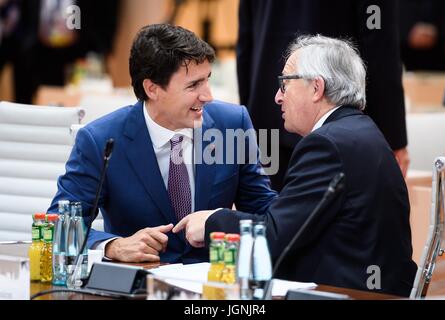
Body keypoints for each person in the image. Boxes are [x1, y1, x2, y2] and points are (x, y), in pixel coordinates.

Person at [174, 35, 417, 297]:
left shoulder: (326, 145)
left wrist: (212, 221)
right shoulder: (361, 131)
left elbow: (273, 239)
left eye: (284, 84)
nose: (278, 96)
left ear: (316, 88)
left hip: (344, 291)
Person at [48, 24, 277, 264]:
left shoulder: (232, 123)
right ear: (152, 89)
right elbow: (59, 225)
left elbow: (263, 210)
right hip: (141, 283)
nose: (208, 95)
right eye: (193, 85)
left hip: (216, 281)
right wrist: (113, 246)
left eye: (207, 80)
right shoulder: (100, 140)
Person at [237, 0, 410, 191]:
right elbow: (378, 39)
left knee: (271, 214)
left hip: (267, 115)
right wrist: (392, 137)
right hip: (338, 129)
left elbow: (245, 42)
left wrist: (249, 114)